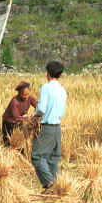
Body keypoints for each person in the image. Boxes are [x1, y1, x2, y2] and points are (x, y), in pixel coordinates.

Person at [31, 61, 67, 192]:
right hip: (57, 127)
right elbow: (62, 112)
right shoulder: (63, 90)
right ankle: (54, 188)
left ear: (47, 74)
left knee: (37, 156)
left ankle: (49, 184)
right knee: (53, 158)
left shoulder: (46, 88)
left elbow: (41, 108)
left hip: (47, 127)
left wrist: (34, 116)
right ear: (60, 75)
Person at [1, 81, 38, 147]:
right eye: (24, 95)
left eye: (27, 94)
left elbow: (38, 106)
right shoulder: (14, 101)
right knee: (8, 143)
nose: (26, 97)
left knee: (19, 141)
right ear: (19, 94)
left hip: (20, 121)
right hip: (9, 122)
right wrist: (28, 118)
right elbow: (16, 117)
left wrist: (36, 114)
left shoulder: (30, 97)